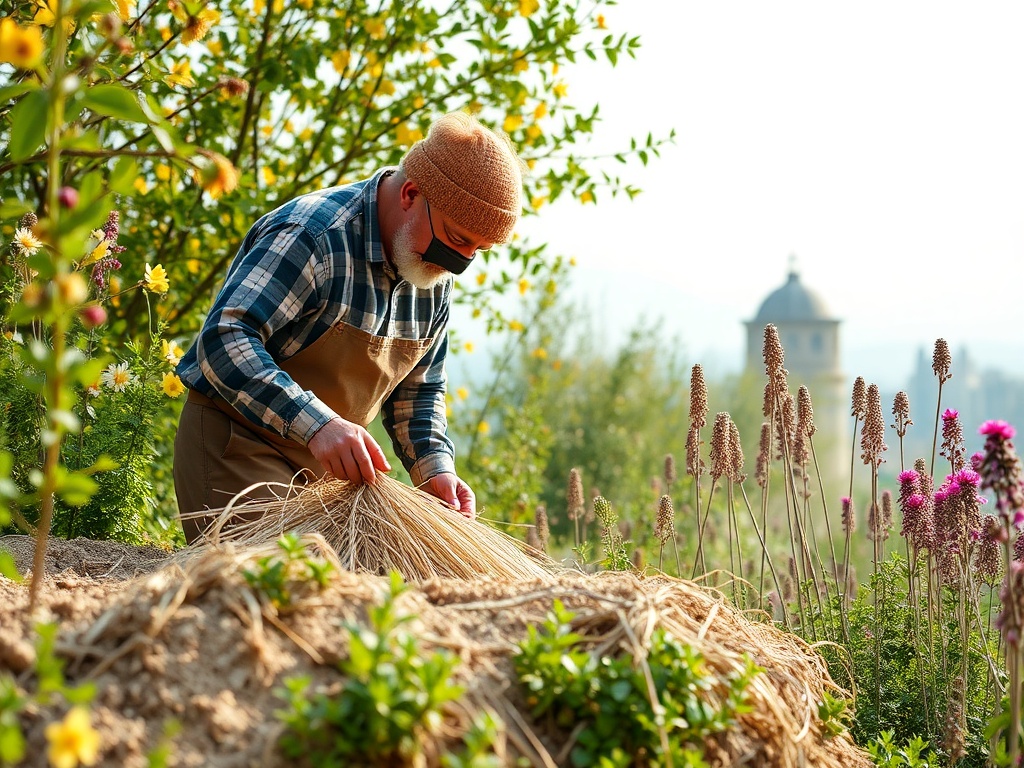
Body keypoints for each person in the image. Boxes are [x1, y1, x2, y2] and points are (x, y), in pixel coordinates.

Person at [172, 111, 524, 544]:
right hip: (239, 447)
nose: (461, 263)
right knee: (288, 582)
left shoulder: (431, 273)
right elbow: (223, 339)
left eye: (478, 249)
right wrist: (319, 425)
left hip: (329, 480)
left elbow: (421, 389)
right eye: (456, 239)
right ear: (412, 193)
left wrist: (435, 469)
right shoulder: (312, 235)